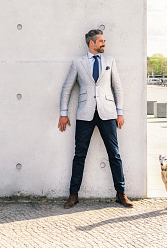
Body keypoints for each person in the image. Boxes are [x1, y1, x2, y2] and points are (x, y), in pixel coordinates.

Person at [58, 29, 133, 209]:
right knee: (79, 155)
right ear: (92, 43)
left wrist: (119, 112)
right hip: (85, 114)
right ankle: (73, 195)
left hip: (108, 113)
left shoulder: (110, 61)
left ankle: (121, 193)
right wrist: (63, 113)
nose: (104, 44)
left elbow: (118, 88)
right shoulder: (78, 63)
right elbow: (66, 88)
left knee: (114, 155)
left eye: (104, 41)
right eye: (101, 41)